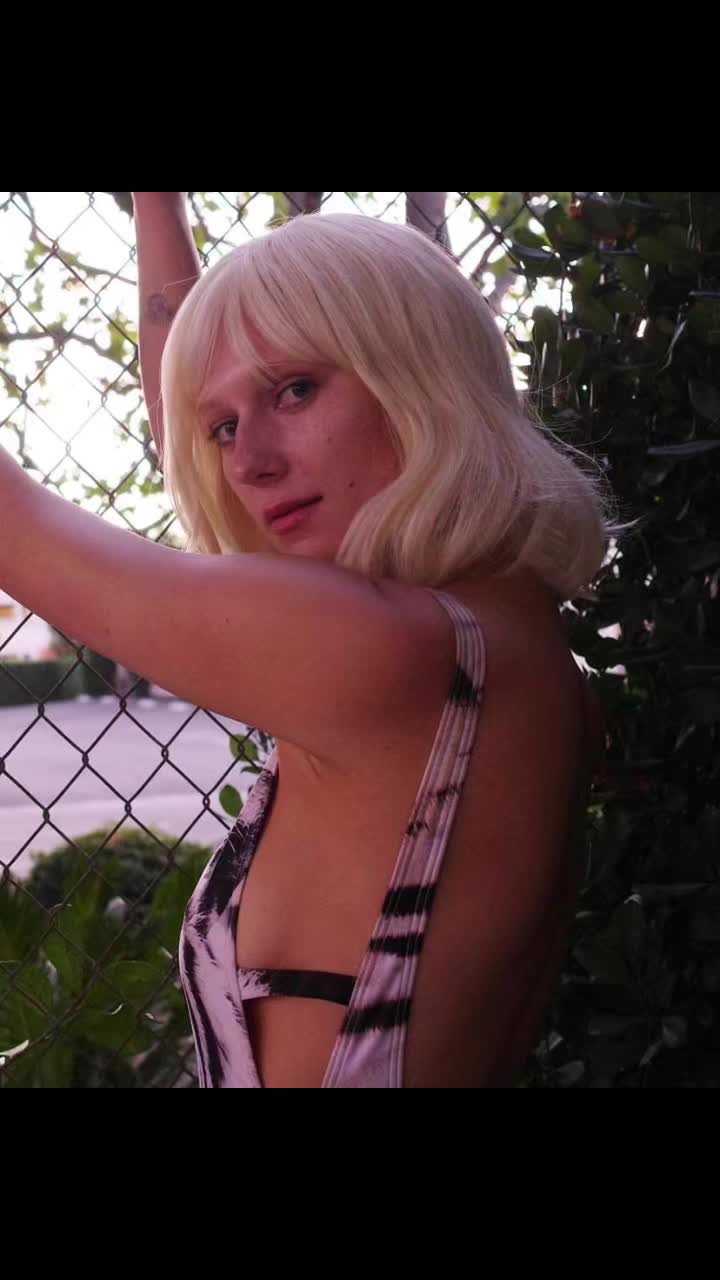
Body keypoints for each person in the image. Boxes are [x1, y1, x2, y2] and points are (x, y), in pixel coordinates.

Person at [0, 192, 626, 1088]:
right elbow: (188, 416)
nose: (247, 462)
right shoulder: (512, 644)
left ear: (416, 367)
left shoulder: (386, 654)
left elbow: (16, 529)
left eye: (294, 390)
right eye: (224, 427)